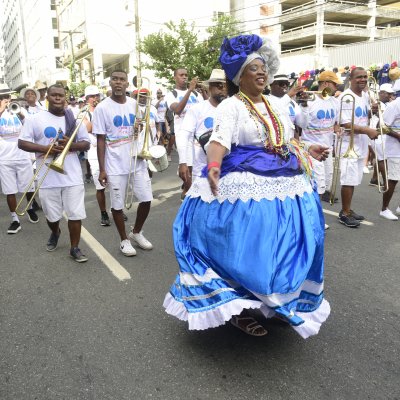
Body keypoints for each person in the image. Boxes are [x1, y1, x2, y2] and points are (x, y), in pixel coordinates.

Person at [164, 34, 331, 339]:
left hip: (287, 182)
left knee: (288, 246)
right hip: (246, 181)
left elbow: (285, 141)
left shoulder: (278, 105)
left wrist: (307, 151)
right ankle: (238, 310)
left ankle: (277, 302)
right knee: (248, 248)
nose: (261, 72)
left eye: (263, 67)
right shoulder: (230, 107)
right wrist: (213, 166)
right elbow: (218, 141)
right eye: (253, 69)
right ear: (239, 77)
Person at [19, 84, 90, 262]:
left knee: (75, 214)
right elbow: (22, 143)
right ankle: (55, 231)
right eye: (54, 95)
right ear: (47, 98)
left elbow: (86, 143)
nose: (58, 98)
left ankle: (75, 247)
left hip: (72, 176)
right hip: (47, 176)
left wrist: (70, 145)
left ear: (65, 98)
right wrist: (46, 149)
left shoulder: (73, 119)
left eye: (61, 95)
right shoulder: (35, 119)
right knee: (52, 216)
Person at [93, 69, 154, 256]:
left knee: (146, 199)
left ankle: (136, 232)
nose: (118, 82)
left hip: (137, 161)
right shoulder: (102, 108)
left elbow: (142, 132)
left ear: (128, 84)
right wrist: (102, 169)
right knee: (117, 204)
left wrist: (139, 129)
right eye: (115, 79)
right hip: (114, 164)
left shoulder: (135, 104)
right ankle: (124, 240)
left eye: (122, 80)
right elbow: (101, 140)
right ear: (110, 83)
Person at [300, 70, 342, 229]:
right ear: (324, 83)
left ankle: (314, 216)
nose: (336, 86)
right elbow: (301, 125)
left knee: (325, 186)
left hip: (328, 150)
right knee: (316, 185)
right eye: (334, 83)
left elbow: (336, 123)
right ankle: (315, 219)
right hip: (312, 149)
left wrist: (338, 130)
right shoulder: (310, 101)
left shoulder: (335, 102)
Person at [337, 67, 378, 228]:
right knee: (348, 179)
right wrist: (367, 130)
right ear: (351, 79)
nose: (362, 80)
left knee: (353, 179)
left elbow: (363, 116)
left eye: (365, 77)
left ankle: (348, 209)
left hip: (360, 142)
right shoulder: (346, 97)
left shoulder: (365, 95)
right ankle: (344, 213)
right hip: (349, 144)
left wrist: (372, 111)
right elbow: (345, 123)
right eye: (359, 77)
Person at [177, 69, 227, 193]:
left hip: (228, 168)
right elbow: (184, 135)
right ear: (209, 88)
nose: (222, 89)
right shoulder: (197, 109)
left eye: (224, 86)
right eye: (218, 85)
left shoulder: (232, 108)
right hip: (202, 169)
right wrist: (183, 162)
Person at [0, 83, 39, 234]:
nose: (6, 99)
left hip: (23, 155)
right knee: (10, 190)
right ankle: (15, 219)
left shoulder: (19, 109)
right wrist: (2, 109)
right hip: (4, 158)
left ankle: (29, 207)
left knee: (28, 187)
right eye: (2, 97)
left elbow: (31, 124)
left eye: (7, 96)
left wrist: (19, 113)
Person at [82, 85, 111, 226]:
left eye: (97, 96)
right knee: (100, 186)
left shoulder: (105, 109)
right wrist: (99, 113)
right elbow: (89, 127)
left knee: (116, 182)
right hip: (94, 151)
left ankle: (117, 209)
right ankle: (103, 212)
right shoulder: (84, 113)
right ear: (87, 99)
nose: (96, 98)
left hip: (109, 149)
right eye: (92, 96)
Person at [165, 68, 206, 166]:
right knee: (187, 166)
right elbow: (178, 110)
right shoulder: (171, 94)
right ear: (175, 78)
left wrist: (204, 90)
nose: (184, 77)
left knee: (199, 165)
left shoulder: (196, 94)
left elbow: (205, 110)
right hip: (183, 135)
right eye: (181, 75)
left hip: (197, 135)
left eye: (186, 75)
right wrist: (190, 90)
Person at [267, 74, 309, 140]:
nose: (284, 86)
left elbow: (303, 124)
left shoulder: (292, 103)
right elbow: (274, 111)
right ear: (271, 85)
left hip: (291, 145)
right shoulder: (266, 100)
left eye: (287, 83)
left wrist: (304, 105)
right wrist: (288, 96)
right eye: (281, 83)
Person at [369, 83, 394, 189]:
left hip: (381, 134)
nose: (391, 96)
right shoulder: (378, 104)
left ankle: (374, 178)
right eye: (388, 94)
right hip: (378, 134)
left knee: (380, 157)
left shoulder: (386, 104)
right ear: (382, 93)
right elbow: (383, 122)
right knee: (382, 159)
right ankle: (385, 182)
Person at [379, 96, 400, 220]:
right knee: (393, 179)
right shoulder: (394, 105)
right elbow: (381, 125)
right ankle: (384, 209)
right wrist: (397, 136)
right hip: (395, 149)